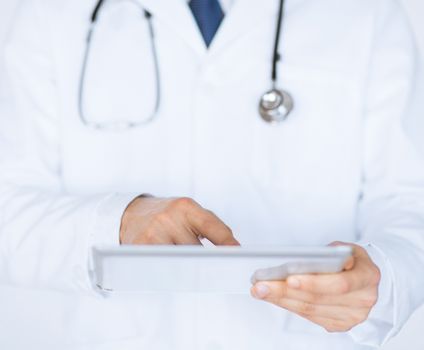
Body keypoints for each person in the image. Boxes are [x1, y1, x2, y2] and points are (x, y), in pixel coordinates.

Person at [0, 0, 423, 349]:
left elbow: (409, 201)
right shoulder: (46, 12)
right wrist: (118, 222)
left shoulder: (369, 12)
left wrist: (383, 279)